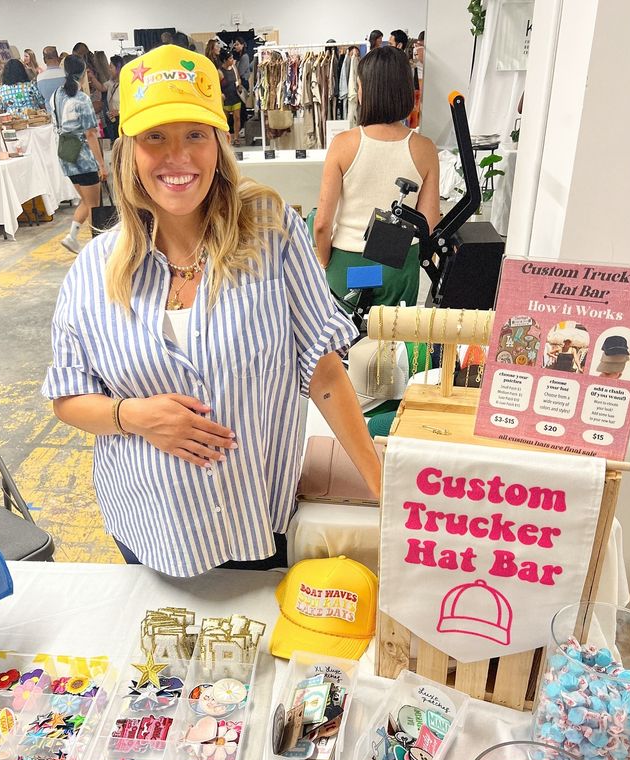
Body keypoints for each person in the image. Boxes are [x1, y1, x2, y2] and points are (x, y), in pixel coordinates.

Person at [42, 44, 380, 576]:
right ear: (128, 149)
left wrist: (383, 488)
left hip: (254, 521)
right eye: (155, 136)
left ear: (219, 143)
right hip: (147, 525)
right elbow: (66, 395)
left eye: (195, 135)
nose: (177, 157)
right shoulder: (93, 270)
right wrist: (131, 416)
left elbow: (326, 375)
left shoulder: (271, 233)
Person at [314, 45, 439, 312]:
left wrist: (325, 262)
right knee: (394, 346)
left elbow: (323, 224)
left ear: (363, 90)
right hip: (400, 267)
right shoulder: (425, 148)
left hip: (350, 266)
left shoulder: (343, 144)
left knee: (347, 346)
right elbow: (428, 224)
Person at [53, 54, 107, 254]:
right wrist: (101, 164)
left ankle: (72, 236)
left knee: (86, 200)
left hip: (66, 154)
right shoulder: (82, 98)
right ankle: (97, 246)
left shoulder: (56, 95)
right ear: (83, 73)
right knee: (94, 204)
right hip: (83, 156)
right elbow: (91, 134)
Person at [72, 42, 106, 114]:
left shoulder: (88, 70)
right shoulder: (91, 68)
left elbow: (94, 88)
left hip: (92, 102)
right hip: (92, 102)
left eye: (75, 56)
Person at [218, 48, 243, 146]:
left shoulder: (234, 68)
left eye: (232, 58)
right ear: (225, 60)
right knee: (225, 120)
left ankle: (236, 138)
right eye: (230, 58)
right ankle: (225, 138)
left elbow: (238, 78)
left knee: (237, 117)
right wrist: (221, 94)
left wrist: (239, 84)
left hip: (236, 95)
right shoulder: (219, 72)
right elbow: (216, 85)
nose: (232, 60)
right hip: (226, 98)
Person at [37, 46, 65, 113]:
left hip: (51, 114)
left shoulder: (39, 78)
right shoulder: (67, 74)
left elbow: (41, 97)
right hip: (67, 112)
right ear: (58, 58)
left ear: (44, 60)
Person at [104, 54, 122, 144]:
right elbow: (102, 88)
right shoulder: (112, 82)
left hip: (122, 119)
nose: (109, 70)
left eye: (111, 67)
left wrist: (119, 112)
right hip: (114, 119)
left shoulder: (125, 84)